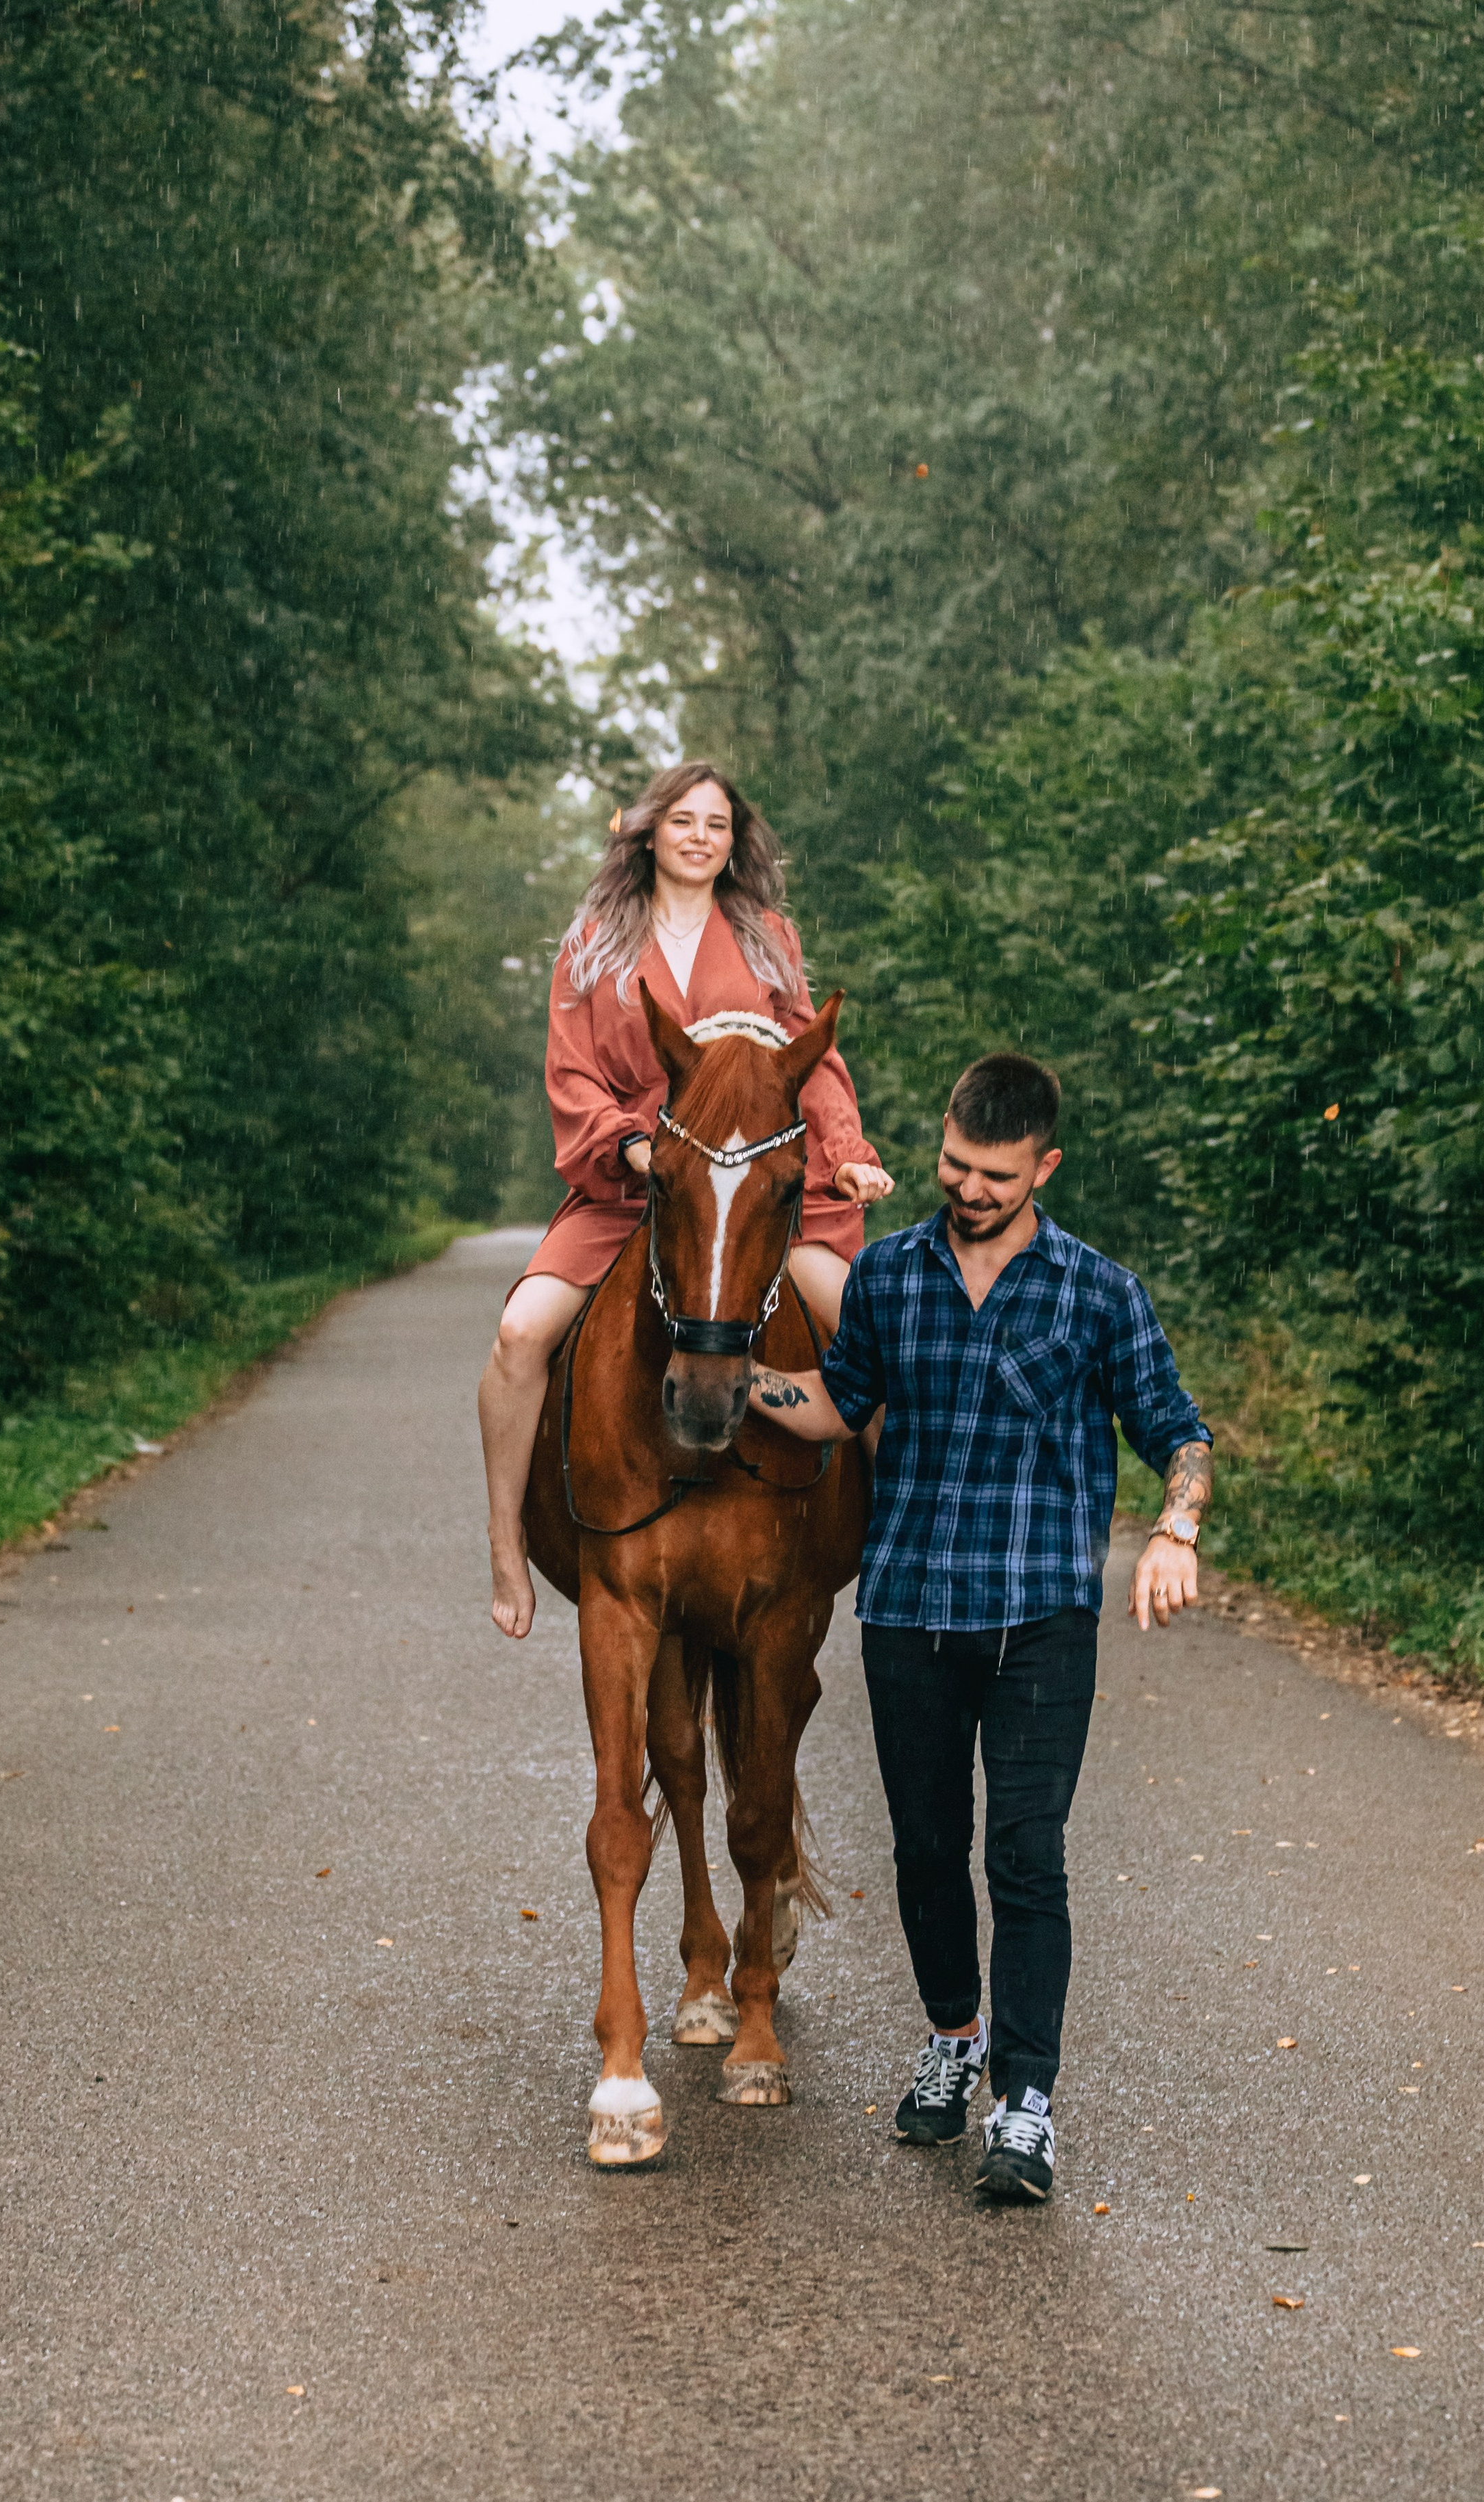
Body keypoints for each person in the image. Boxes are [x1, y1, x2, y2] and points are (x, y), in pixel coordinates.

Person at [746, 1051, 1213, 2207]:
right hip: (908, 1608)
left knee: (1026, 1855)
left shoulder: (1098, 1291)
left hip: (1041, 1616)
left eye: (996, 1175)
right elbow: (839, 1404)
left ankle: (1026, 2102)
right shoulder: (892, 1275)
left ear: (1044, 1165)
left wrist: (1177, 1530)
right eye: (956, 1162)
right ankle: (955, 2037)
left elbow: (1177, 1429)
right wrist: (734, 1382)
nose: (968, 1187)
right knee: (923, 1852)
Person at [479, 761, 895, 1641]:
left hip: (752, 1192)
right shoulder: (592, 942)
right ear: (648, 831)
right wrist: (627, 1146)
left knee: (875, 1334)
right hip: (633, 1184)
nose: (701, 836)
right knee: (520, 1336)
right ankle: (506, 1540)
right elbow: (571, 1071)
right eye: (685, 821)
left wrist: (848, 1153)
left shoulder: (767, 938)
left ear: (733, 842)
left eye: (718, 824)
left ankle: (901, 1534)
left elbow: (807, 1060)